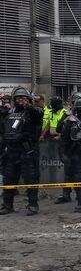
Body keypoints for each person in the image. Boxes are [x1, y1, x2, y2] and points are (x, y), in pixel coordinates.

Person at [0, 87, 44, 215]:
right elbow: (4, 131)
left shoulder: (32, 112)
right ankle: (7, 205)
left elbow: (39, 113)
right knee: (9, 179)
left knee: (31, 179)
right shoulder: (9, 113)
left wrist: (28, 106)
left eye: (23, 98)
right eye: (18, 98)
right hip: (12, 151)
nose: (20, 100)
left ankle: (33, 205)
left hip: (27, 151)